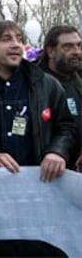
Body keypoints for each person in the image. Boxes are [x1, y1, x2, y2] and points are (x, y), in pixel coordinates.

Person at [0, 21, 75, 182]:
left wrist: (56, 151)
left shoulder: (48, 86)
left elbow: (67, 127)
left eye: (19, 39)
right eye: (6, 39)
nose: (16, 45)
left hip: (42, 185)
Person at [37, 25, 82, 170]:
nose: (76, 52)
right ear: (51, 51)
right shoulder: (35, 84)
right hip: (49, 171)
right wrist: (57, 151)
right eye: (68, 47)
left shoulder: (78, 79)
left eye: (79, 45)